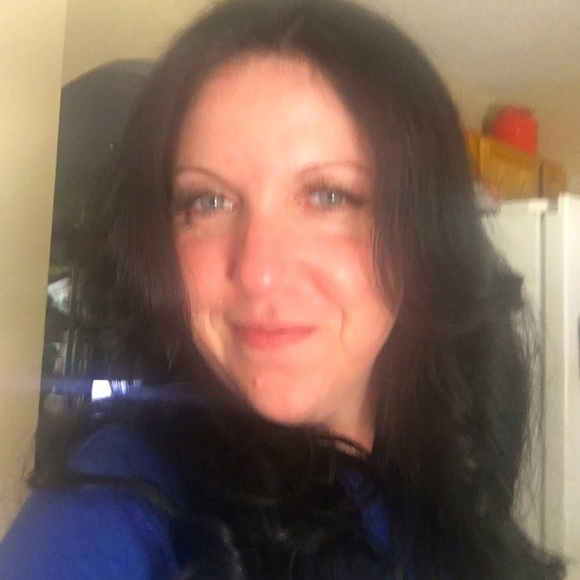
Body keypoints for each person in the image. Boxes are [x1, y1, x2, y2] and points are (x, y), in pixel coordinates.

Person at [0, 0, 566, 578]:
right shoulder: (110, 511)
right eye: (208, 201)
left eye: (329, 196)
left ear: (425, 234)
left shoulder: (452, 467)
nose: (259, 272)